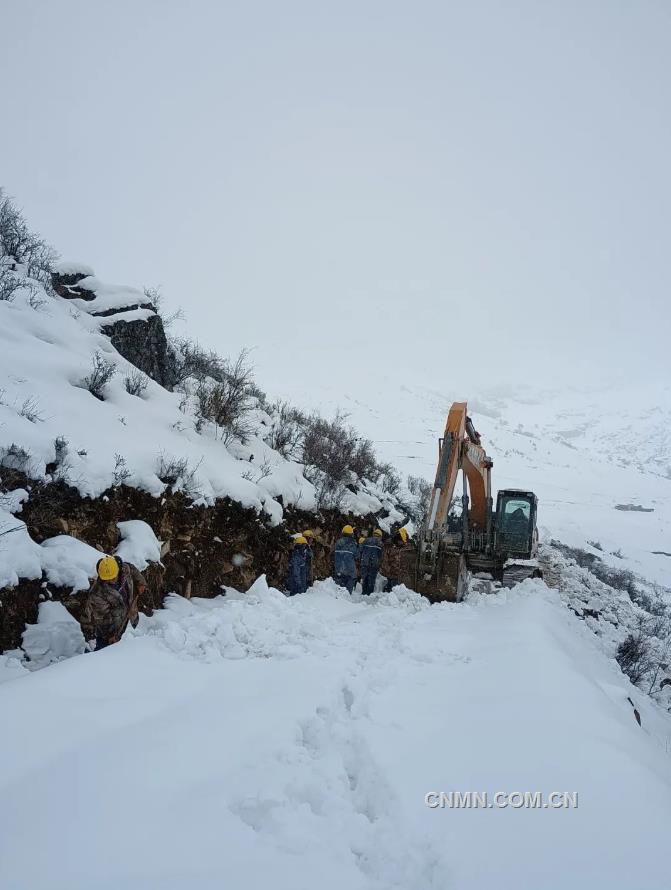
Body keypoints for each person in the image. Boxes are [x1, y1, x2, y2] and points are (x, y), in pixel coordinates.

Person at [81, 555, 147, 650]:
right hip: (106, 631)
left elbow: (133, 570)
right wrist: (109, 636)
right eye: (106, 579)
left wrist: (141, 582)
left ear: (118, 570)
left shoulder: (125, 569)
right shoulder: (97, 594)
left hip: (122, 619)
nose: (110, 581)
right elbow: (97, 620)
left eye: (112, 578)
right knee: (101, 654)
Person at [381, 527, 409, 591]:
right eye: (402, 541)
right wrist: (389, 570)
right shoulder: (389, 547)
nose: (404, 543)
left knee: (393, 587)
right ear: (398, 539)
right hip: (392, 572)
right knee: (393, 588)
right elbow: (385, 560)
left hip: (397, 574)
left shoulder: (401, 546)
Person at [333, 525, 359, 593]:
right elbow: (357, 556)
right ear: (351, 534)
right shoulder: (353, 544)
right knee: (347, 592)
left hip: (339, 569)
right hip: (350, 571)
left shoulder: (337, 542)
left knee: (339, 591)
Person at [359, 528, 384, 595]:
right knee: (371, 580)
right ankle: (369, 594)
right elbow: (381, 556)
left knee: (365, 579)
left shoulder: (366, 540)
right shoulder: (380, 544)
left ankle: (363, 593)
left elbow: (360, 550)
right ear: (380, 536)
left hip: (364, 563)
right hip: (374, 564)